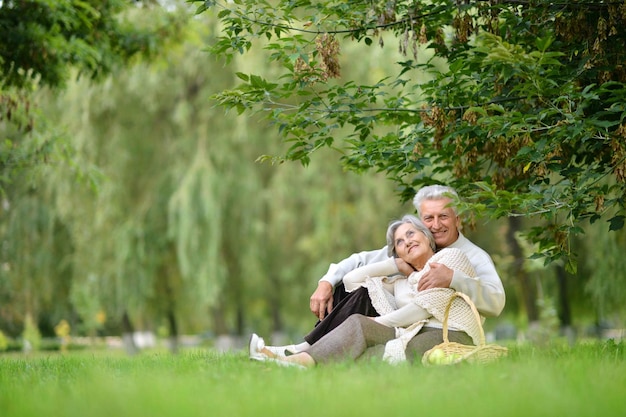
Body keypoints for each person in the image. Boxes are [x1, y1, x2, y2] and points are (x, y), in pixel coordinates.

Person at [261, 184, 505, 356]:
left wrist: (454, 278)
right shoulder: (412, 244)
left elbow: (495, 302)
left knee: (375, 330)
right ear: (420, 221)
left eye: (444, 216)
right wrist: (325, 281)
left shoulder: (473, 256)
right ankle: (306, 349)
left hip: (439, 330)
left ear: (457, 219)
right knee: (356, 290)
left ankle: (308, 352)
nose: (436, 225)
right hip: (402, 325)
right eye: (428, 218)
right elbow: (359, 263)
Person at [249, 215, 484, 367]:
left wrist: (377, 321)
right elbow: (352, 281)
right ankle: (296, 361)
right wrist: (395, 266)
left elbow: (422, 309)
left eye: (411, 234)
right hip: (410, 334)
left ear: (426, 236)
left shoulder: (450, 257)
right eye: (400, 242)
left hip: (449, 335)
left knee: (365, 332)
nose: (407, 242)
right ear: (398, 253)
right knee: (362, 351)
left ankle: (299, 360)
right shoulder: (404, 281)